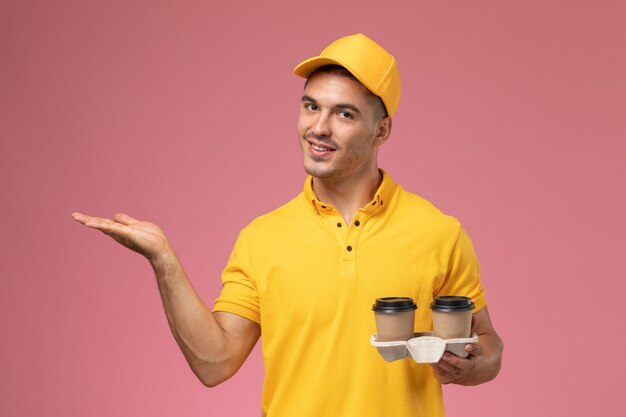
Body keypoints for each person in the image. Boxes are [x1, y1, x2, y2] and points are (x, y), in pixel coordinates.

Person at [72, 33, 503, 417]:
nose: (318, 127)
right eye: (311, 106)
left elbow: (488, 347)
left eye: (344, 114)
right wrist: (164, 260)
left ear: (381, 130)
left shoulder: (438, 232)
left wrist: (469, 364)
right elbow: (214, 363)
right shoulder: (262, 239)